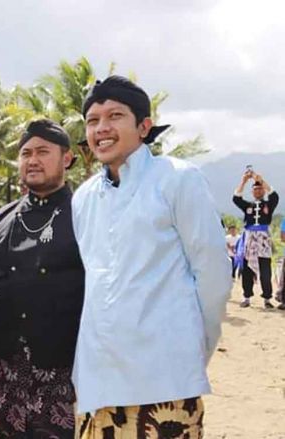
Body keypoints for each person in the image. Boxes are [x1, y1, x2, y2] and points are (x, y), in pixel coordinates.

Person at [72, 76, 232, 438]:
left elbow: (213, 278)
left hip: (165, 383)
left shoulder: (177, 180)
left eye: (115, 116)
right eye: (93, 120)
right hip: (97, 384)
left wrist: (191, 349)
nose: (102, 128)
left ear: (144, 126)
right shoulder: (83, 198)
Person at [0, 119, 84, 438]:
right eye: (26, 152)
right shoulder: (1, 219)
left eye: (43, 151)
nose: (32, 159)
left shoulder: (86, 214)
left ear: (66, 158)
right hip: (3, 377)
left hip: (63, 376)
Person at [233, 172, 279, 308]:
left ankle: (267, 299)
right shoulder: (248, 206)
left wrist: (261, 180)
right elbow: (236, 198)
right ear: (252, 192)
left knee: (265, 269)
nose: (258, 191)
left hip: (263, 239)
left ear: (263, 191)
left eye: (260, 189)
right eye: (255, 189)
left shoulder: (269, 205)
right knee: (247, 269)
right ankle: (246, 297)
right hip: (250, 240)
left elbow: (274, 195)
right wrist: (243, 181)